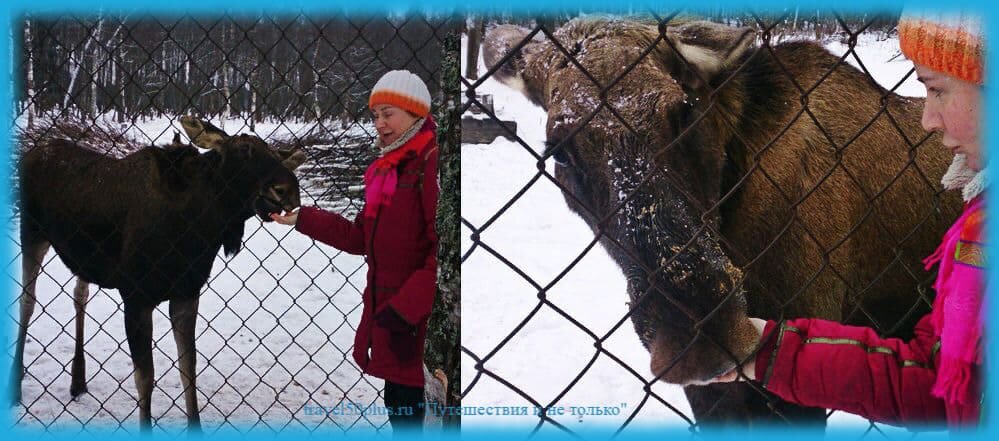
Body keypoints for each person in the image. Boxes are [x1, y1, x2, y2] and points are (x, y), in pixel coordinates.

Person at [710, 11, 985, 430]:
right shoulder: (978, 226)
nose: (926, 120)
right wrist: (768, 352)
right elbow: (933, 378)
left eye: (937, 90)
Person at [271, 70, 439, 433]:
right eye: (375, 115)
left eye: (388, 113)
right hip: (392, 320)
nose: (379, 124)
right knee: (401, 411)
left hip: (417, 323)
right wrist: (303, 218)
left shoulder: (431, 164)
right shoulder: (385, 170)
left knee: (423, 415)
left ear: (414, 114)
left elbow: (441, 255)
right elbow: (359, 237)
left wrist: (404, 309)